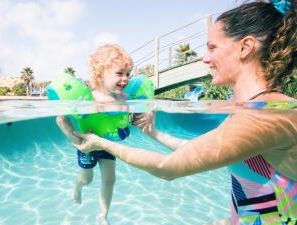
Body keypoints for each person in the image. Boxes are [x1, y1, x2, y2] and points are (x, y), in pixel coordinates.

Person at [73, 2, 297, 224]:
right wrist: (153, 133)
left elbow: (167, 167)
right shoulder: (242, 106)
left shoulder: (268, 113)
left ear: (245, 47)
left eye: (212, 47)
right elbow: (194, 151)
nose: (205, 58)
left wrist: (99, 142)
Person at [56, 44, 133, 225]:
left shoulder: (126, 99)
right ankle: (78, 187)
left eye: (128, 73)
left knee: (110, 179)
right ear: (99, 76)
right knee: (87, 179)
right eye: (120, 73)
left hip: (108, 145)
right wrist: (72, 136)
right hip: (88, 147)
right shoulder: (87, 100)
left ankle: (102, 215)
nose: (125, 79)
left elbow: (130, 117)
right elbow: (61, 118)